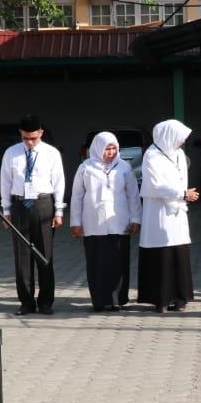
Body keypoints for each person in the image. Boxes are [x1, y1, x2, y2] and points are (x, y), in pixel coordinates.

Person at [0, 114, 65, 316]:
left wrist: (59, 210)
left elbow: (59, 182)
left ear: (41, 134)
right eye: (26, 138)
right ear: (20, 134)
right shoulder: (11, 153)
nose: (29, 142)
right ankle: (26, 302)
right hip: (20, 205)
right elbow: (5, 182)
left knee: (44, 255)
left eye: (33, 138)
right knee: (22, 258)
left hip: (44, 203)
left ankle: (45, 302)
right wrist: (6, 210)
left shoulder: (51, 153)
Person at [70, 131, 141, 312]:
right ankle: (99, 300)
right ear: (97, 149)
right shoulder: (85, 167)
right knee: (97, 263)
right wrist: (75, 222)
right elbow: (77, 196)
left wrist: (135, 219)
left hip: (119, 223)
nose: (110, 152)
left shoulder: (124, 167)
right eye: (106, 149)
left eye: (113, 148)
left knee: (118, 262)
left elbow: (133, 195)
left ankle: (117, 299)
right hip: (93, 224)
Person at [139, 119, 199, 312]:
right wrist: (181, 194)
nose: (181, 142)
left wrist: (182, 195)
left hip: (178, 210)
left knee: (179, 251)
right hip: (158, 212)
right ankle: (161, 299)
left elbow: (182, 179)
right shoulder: (151, 155)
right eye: (179, 138)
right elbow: (155, 185)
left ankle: (180, 298)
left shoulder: (179, 154)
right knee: (161, 253)